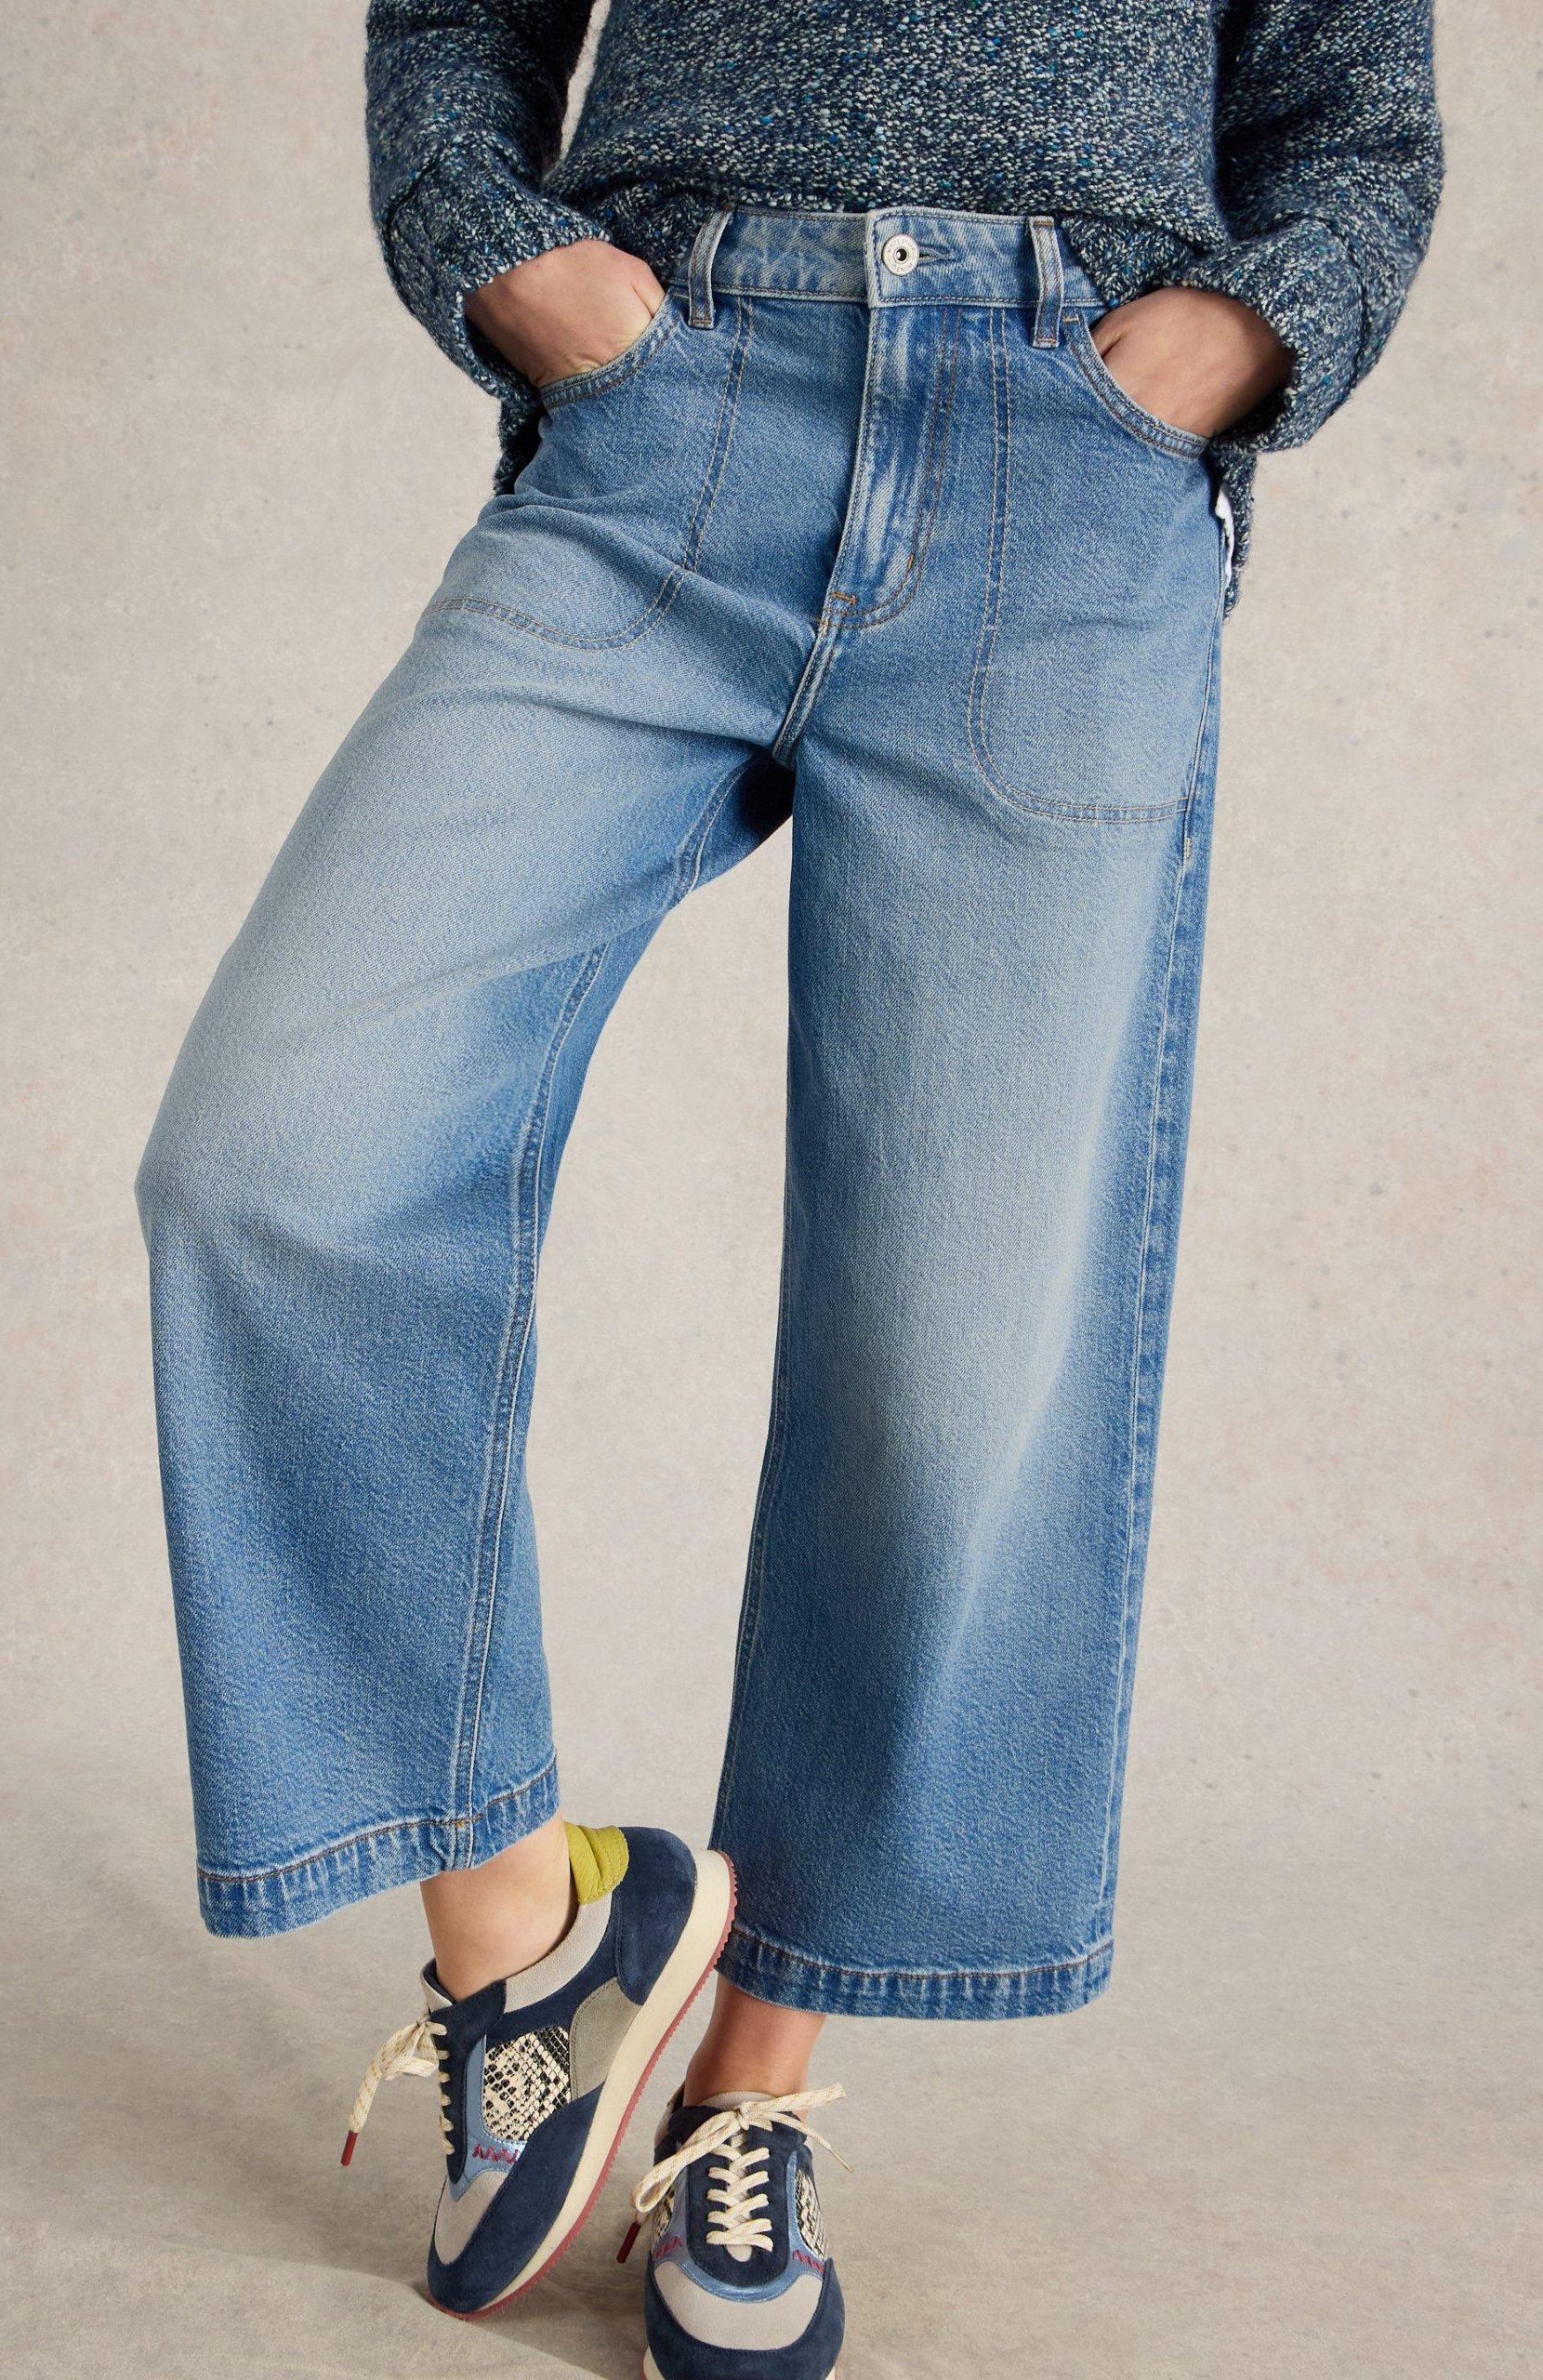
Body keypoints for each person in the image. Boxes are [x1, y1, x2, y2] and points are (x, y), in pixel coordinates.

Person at [135, 4, 1442, 2372]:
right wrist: (515, 267)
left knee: (954, 1350)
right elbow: (453, 30)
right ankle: (532, 1948)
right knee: (280, 1157)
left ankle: (750, 2084)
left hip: (1072, 463)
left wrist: (1216, 352)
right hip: (680, 411)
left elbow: (1357, 114)